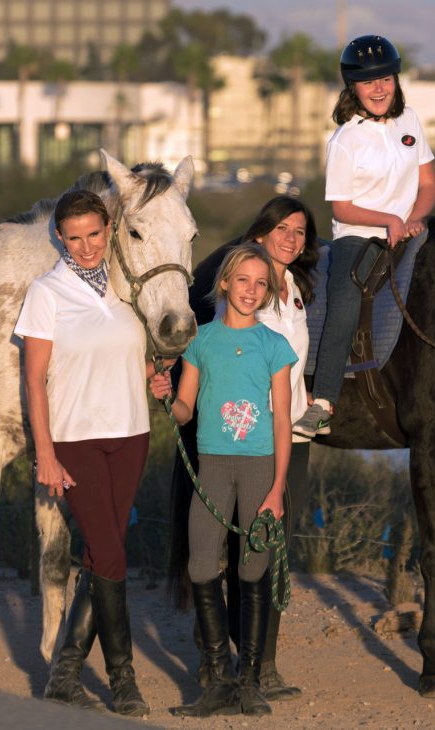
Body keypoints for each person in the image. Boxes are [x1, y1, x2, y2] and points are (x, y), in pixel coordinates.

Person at [15, 189, 156, 716]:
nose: (86, 246)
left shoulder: (124, 291)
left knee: (103, 555)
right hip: (75, 440)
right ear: (59, 237)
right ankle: (123, 681)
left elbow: (116, 358)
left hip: (132, 434)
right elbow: (35, 381)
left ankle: (65, 673)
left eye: (94, 234)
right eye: (74, 237)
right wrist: (45, 455)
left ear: (108, 230)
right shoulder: (46, 292)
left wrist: (151, 378)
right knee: (111, 554)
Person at [151, 244, 297, 717]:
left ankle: (250, 681)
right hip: (211, 465)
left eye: (261, 283)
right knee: (200, 568)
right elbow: (186, 410)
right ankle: (216, 678)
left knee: (253, 571)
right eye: (243, 281)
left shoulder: (275, 346)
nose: (251, 291)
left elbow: (281, 423)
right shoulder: (202, 340)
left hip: (259, 468)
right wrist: (165, 395)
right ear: (225, 284)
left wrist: (277, 490)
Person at [292, 34, 435, 439]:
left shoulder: (410, 122)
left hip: (412, 227)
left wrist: (413, 218)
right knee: (345, 301)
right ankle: (322, 402)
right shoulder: (344, 140)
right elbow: (342, 207)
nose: (379, 88)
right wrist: (390, 219)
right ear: (352, 87)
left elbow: (428, 183)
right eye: (369, 81)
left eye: (386, 78)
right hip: (358, 236)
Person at [204, 197, 319, 700]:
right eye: (281, 227)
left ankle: (262, 663)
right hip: (246, 440)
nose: (291, 238)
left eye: (300, 231)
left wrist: (305, 393)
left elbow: (288, 361)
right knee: (234, 550)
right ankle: (221, 663)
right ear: (261, 231)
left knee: (272, 549)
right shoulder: (243, 284)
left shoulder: (294, 289)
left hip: (291, 434)